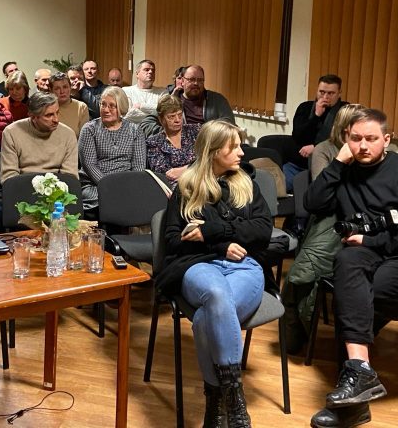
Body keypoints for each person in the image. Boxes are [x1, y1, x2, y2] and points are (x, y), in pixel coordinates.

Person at [156, 120, 272, 428]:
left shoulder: (247, 184)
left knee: (207, 317)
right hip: (199, 265)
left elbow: (262, 232)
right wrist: (221, 245)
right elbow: (173, 240)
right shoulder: (186, 188)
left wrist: (213, 230)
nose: (241, 152)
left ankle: (215, 402)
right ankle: (235, 399)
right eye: (233, 147)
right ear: (212, 151)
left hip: (245, 266)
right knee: (217, 295)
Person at [305, 108, 398, 428]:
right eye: (356, 138)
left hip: (393, 251)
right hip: (362, 251)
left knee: (358, 299)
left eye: (371, 139)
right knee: (346, 263)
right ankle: (359, 373)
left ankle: (352, 402)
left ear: (387, 139)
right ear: (346, 138)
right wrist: (337, 163)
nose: (363, 145)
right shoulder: (343, 169)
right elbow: (312, 203)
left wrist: (371, 240)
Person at [281, 104, 364, 356]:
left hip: (360, 219)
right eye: (356, 132)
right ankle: (296, 331)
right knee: (302, 272)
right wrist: (342, 166)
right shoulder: (325, 150)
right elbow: (322, 197)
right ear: (344, 129)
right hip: (329, 217)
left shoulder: (372, 153)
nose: (362, 140)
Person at [78, 86, 146, 212]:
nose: (105, 110)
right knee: (105, 200)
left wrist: (128, 186)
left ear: (121, 108)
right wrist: (109, 185)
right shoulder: (89, 129)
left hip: (126, 184)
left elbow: (139, 167)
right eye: (103, 105)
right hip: (95, 184)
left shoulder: (135, 130)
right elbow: (89, 165)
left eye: (111, 106)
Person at [283, 74, 347, 191]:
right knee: (283, 190)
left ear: (339, 93)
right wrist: (316, 115)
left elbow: (343, 138)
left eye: (331, 93)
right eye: (322, 92)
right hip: (298, 164)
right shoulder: (305, 107)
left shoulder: (345, 110)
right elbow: (297, 136)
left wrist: (317, 147)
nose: (325, 97)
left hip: (328, 164)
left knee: (319, 192)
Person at [0, 92, 78, 183]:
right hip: (22, 186)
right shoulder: (11, 133)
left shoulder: (68, 134)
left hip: (57, 187)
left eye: (57, 113)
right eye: (49, 115)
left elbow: (70, 177)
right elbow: (9, 176)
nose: (56, 120)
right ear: (33, 117)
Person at [141, 65, 235, 138]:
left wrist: (206, 133)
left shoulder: (217, 99)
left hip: (209, 145)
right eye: (191, 79)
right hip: (179, 147)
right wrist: (170, 133)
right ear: (182, 81)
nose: (196, 83)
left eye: (200, 80)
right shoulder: (171, 101)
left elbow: (229, 124)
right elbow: (146, 124)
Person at [146, 94, 200, 183]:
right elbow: (164, 174)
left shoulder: (196, 131)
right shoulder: (154, 142)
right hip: (173, 186)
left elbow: (209, 159)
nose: (177, 120)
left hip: (201, 179)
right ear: (161, 119)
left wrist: (185, 169)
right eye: (172, 116)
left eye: (180, 115)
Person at [122, 59, 166, 124]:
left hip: (154, 129)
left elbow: (165, 112)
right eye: (146, 70)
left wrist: (141, 106)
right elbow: (127, 116)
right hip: (131, 129)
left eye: (153, 70)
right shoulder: (126, 91)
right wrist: (153, 115)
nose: (150, 72)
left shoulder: (162, 92)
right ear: (137, 74)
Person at [49, 72, 89, 138]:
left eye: (65, 87)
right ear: (51, 90)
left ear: (70, 87)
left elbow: (84, 137)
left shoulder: (81, 107)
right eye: (57, 88)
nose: (62, 91)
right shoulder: (47, 108)